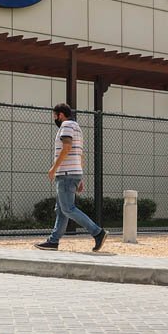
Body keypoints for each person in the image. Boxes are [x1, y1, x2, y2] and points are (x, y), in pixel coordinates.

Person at [36, 103, 107, 251]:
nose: (55, 119)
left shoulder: (66, 125)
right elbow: (80, 153)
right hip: (73, 173)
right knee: (61, 210)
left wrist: (54, 168)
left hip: (66, 174)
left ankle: (98, 232)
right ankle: (53, 241)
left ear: (61, 115)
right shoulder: (77, 127)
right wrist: (80, 177)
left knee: (68, 209)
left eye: (55, 116)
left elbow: (67, 147)